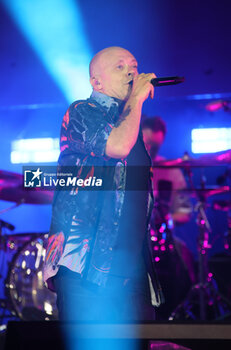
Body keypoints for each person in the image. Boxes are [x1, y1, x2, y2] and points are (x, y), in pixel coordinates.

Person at [43, 47, 163, 324]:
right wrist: (136, 99)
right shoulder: (82, 112)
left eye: (134, 65)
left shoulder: (130, 124)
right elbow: (117, 146)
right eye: (120, 67)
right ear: (96, 82)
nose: (132, 72)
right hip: (85, 267)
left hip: (132, 267)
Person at [142, 116, 196, 319]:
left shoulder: (171, 171)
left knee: (183, 257)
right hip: (130, 238)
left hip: (163, 238)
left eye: (155, 146)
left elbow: (184, 213)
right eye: (147, 143)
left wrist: (165, 220)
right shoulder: (123, 169)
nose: (150, 149)